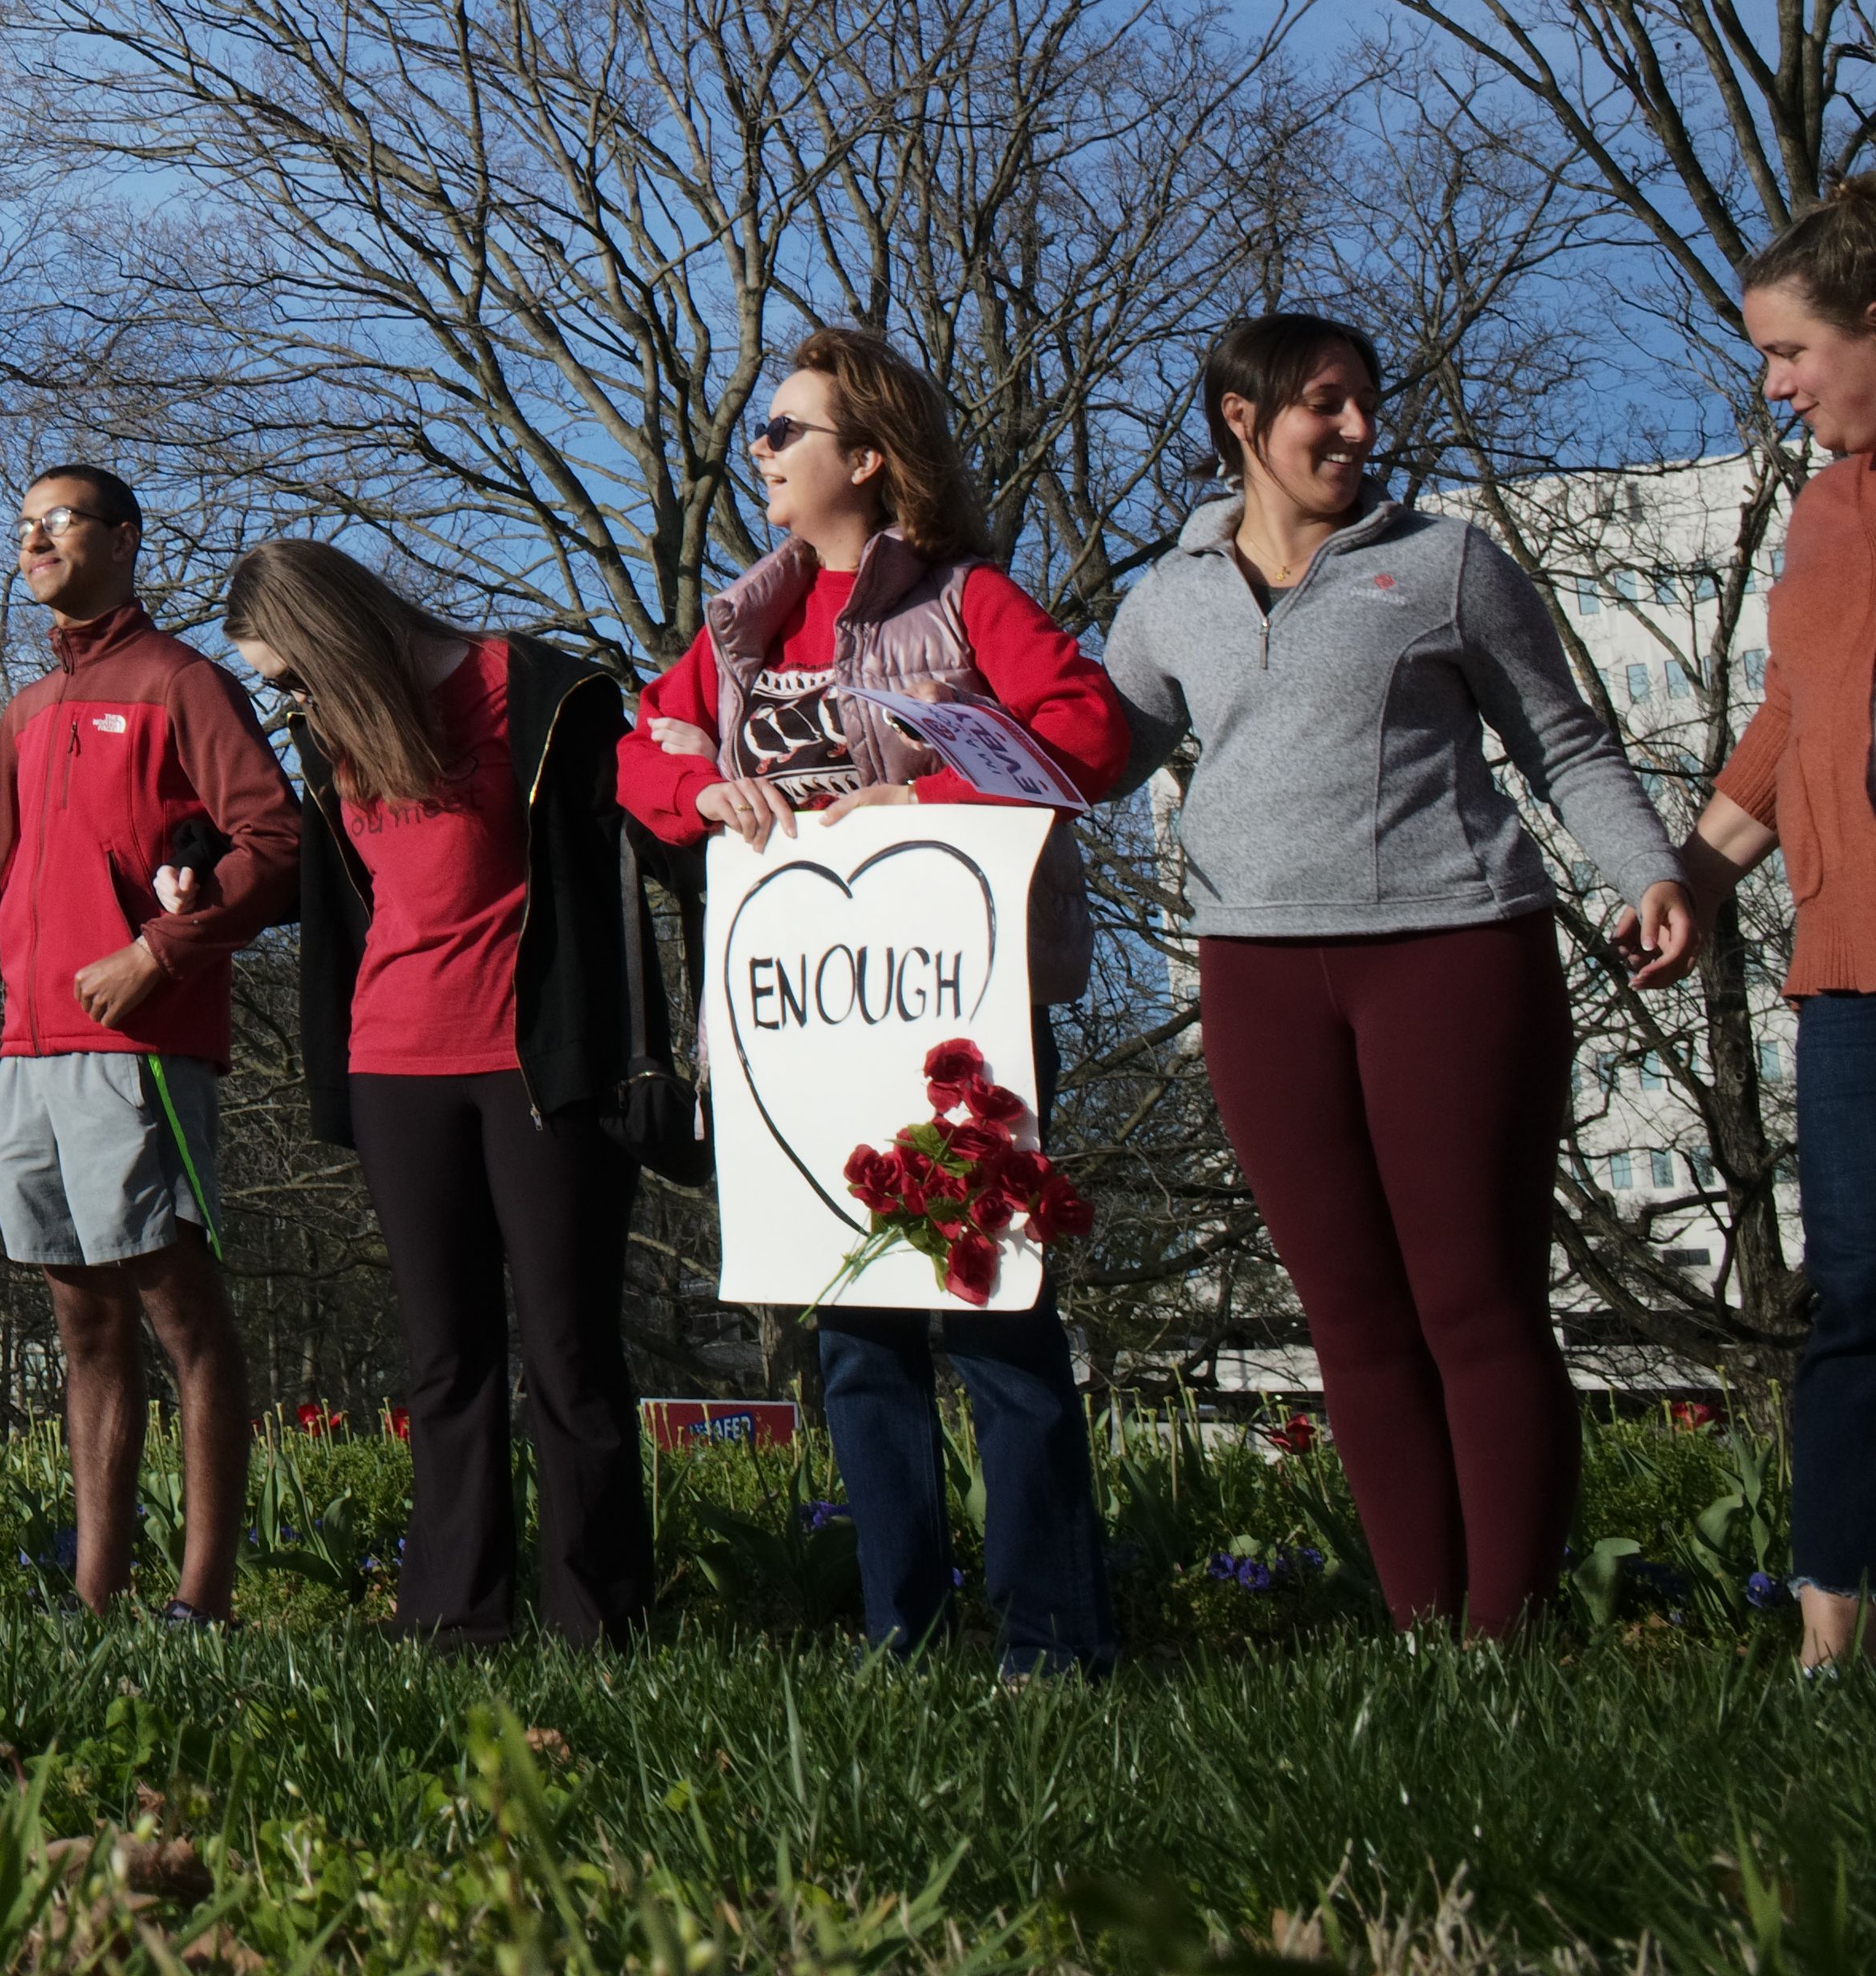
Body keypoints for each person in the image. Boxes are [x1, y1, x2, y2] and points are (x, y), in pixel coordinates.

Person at [1105, 313, 1701, 1638]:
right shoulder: (1168, 597)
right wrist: (902, 768)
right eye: (1328, 404)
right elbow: (1088, 754)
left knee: (1474, 1298)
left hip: (1452, 952)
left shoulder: (1445, 564)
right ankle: (1426, 1634)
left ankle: (1512, 1639)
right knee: (1352, 1318)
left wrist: (1647, 870)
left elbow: (1566, 739)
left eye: (1368, 404)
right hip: (1260, 975)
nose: (1361, 429)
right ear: (1241, 419)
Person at [619, 324, 1132, 1676]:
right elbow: (639, 753)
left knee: (993, 1316)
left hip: (957, 1027)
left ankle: (1052, 1641)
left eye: (788, 428)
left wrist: (930, 793)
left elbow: (1087, 729)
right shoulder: (739, 622)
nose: (762, 450)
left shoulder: (966, 602)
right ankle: (900, 1631)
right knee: (854, 1338)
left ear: (868, 457)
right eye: (764, 429)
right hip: (809, 1035)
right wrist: (701, 789)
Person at [243, 534, 682, 1651]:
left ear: (326, 635)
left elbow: (648, 826)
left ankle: (599, 1622)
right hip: (395, 1069)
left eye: (288, 673)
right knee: (445, 1361)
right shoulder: (328, 739)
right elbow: (335, 891)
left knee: (570, 1350)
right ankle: (451, 1620)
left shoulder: (537, 691)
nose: (286, 699)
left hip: (541, 1066)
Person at [0, 464, 300, 1629]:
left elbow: (273, 843)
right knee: (81, 1324)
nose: (32, 541)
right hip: (28, 1055)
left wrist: (160, 951)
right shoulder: (26, 711)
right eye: (20, 525)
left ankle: (205, 1602)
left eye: (56, 521)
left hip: (138, 1047)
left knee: (185, 1318)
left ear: (123, 537)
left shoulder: (184, 683)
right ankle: (95, 1598)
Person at [1698, 182, 1876, 1672]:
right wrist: (1695, 873)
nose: (1774, 382)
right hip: (1848, 970)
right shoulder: (1822, 509)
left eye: (1791, 350)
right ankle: (1831, 1642)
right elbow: (1790, 715)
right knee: (1855, 1296)